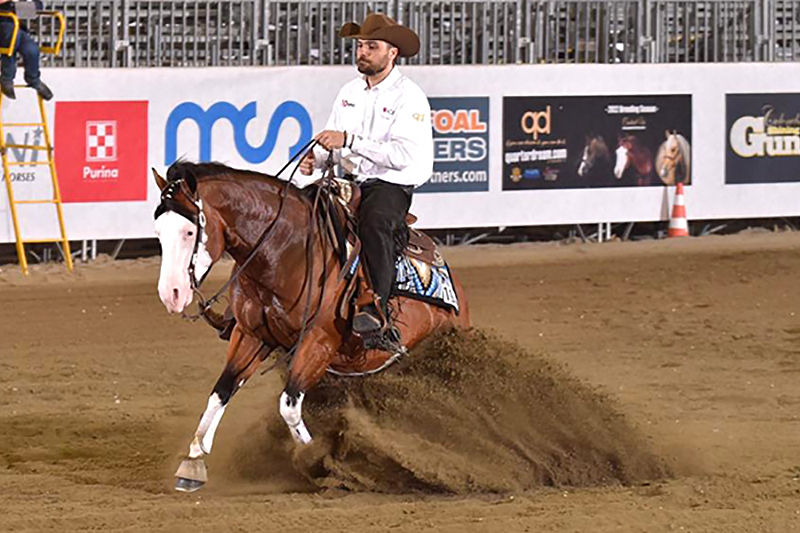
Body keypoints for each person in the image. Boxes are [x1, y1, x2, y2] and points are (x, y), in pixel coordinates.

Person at [299, 13, 433, 347]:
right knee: (300, 211)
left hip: (391, 183)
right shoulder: (349, 92)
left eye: (371, 46)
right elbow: (336, 146)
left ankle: (379, 310)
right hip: (351, 178)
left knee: (375, 223)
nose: (362, 52)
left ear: (392, 53)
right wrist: (316, 160)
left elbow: (403, 155)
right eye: (360, 46)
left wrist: (349, 141)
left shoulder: (409, 96)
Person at [0, 0, 52, 100]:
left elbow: (38, 6)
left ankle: (33, 79)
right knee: (10, 41)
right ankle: (7, 78)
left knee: (32, 50)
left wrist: (28, 4)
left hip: (15, 26)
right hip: (3, 25)